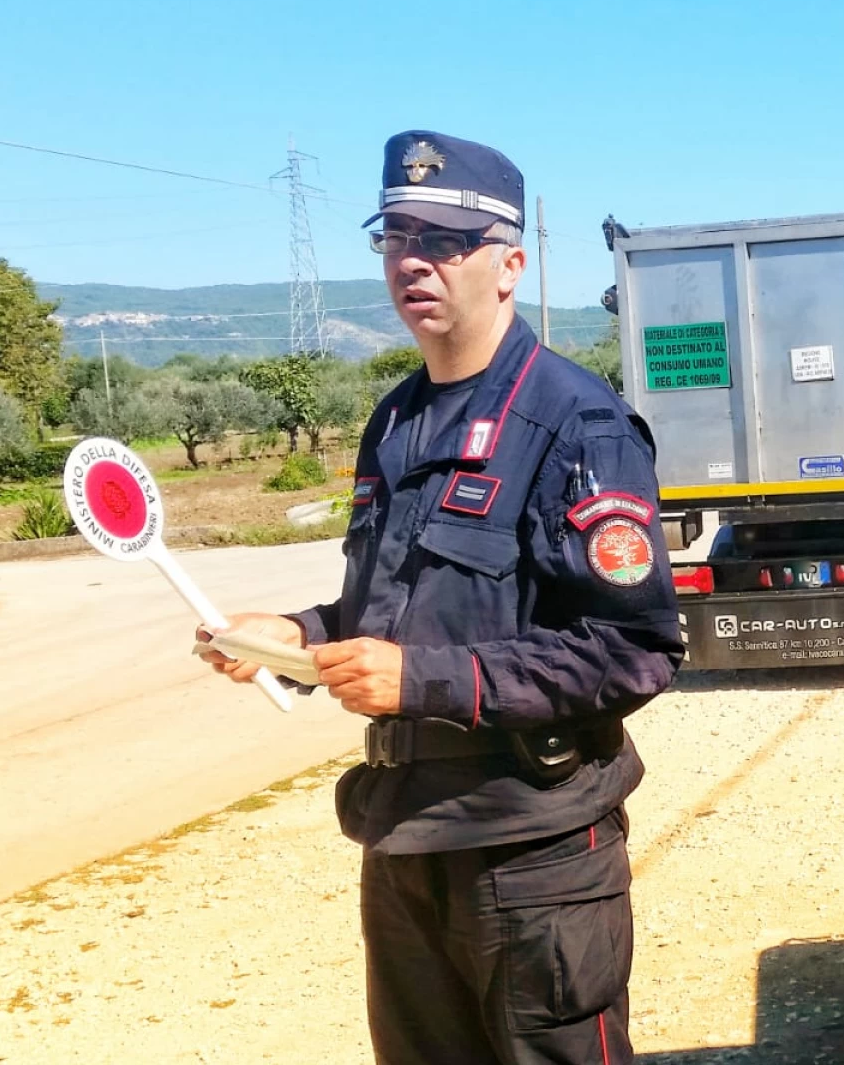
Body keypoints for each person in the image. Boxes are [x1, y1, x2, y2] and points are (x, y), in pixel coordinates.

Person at [200, 130, 683, 1065]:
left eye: (444, 239)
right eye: (395, 236)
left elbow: (635, 649)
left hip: (532, 853)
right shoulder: (398, 418)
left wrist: (423, 682)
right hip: (406, 837)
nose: (413, 259)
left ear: (510, 264)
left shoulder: (575, 421)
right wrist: (289, 638)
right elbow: (390, 610)